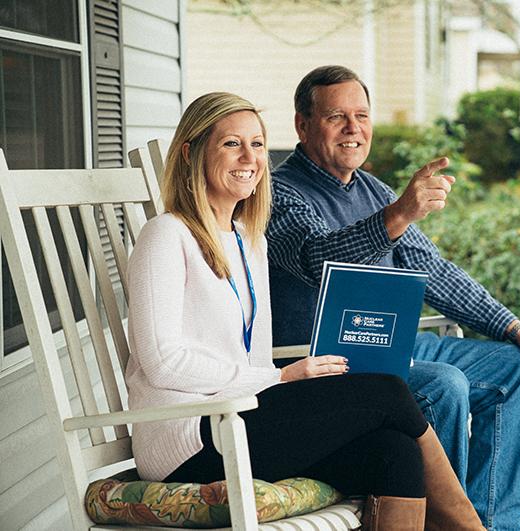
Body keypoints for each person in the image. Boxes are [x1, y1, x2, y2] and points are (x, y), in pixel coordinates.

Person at [124, 91, 485, 530]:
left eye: (257, 144)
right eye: (231, 144)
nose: (250, 157)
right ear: (190, 152)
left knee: (394, 451)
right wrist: (279, 377)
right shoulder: (165, 236)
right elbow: (163, 365)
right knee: (388, 391)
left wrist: (278, 380)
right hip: (187, 439)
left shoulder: (247, 238)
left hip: (240, 417)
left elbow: (253, 359)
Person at [267, 66, 520, 531]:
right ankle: (445, 525)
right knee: (445, 384)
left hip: (394, 345)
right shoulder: (279, 195)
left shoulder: (372, 190)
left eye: (362, 116)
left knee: (516, 368)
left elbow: (435, 273)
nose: (353, 129)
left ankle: (496, 525)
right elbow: (318, 261)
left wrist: (514, 327)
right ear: (303, 125)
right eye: (336, 117)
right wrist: (400, 213)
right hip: (326, 361)